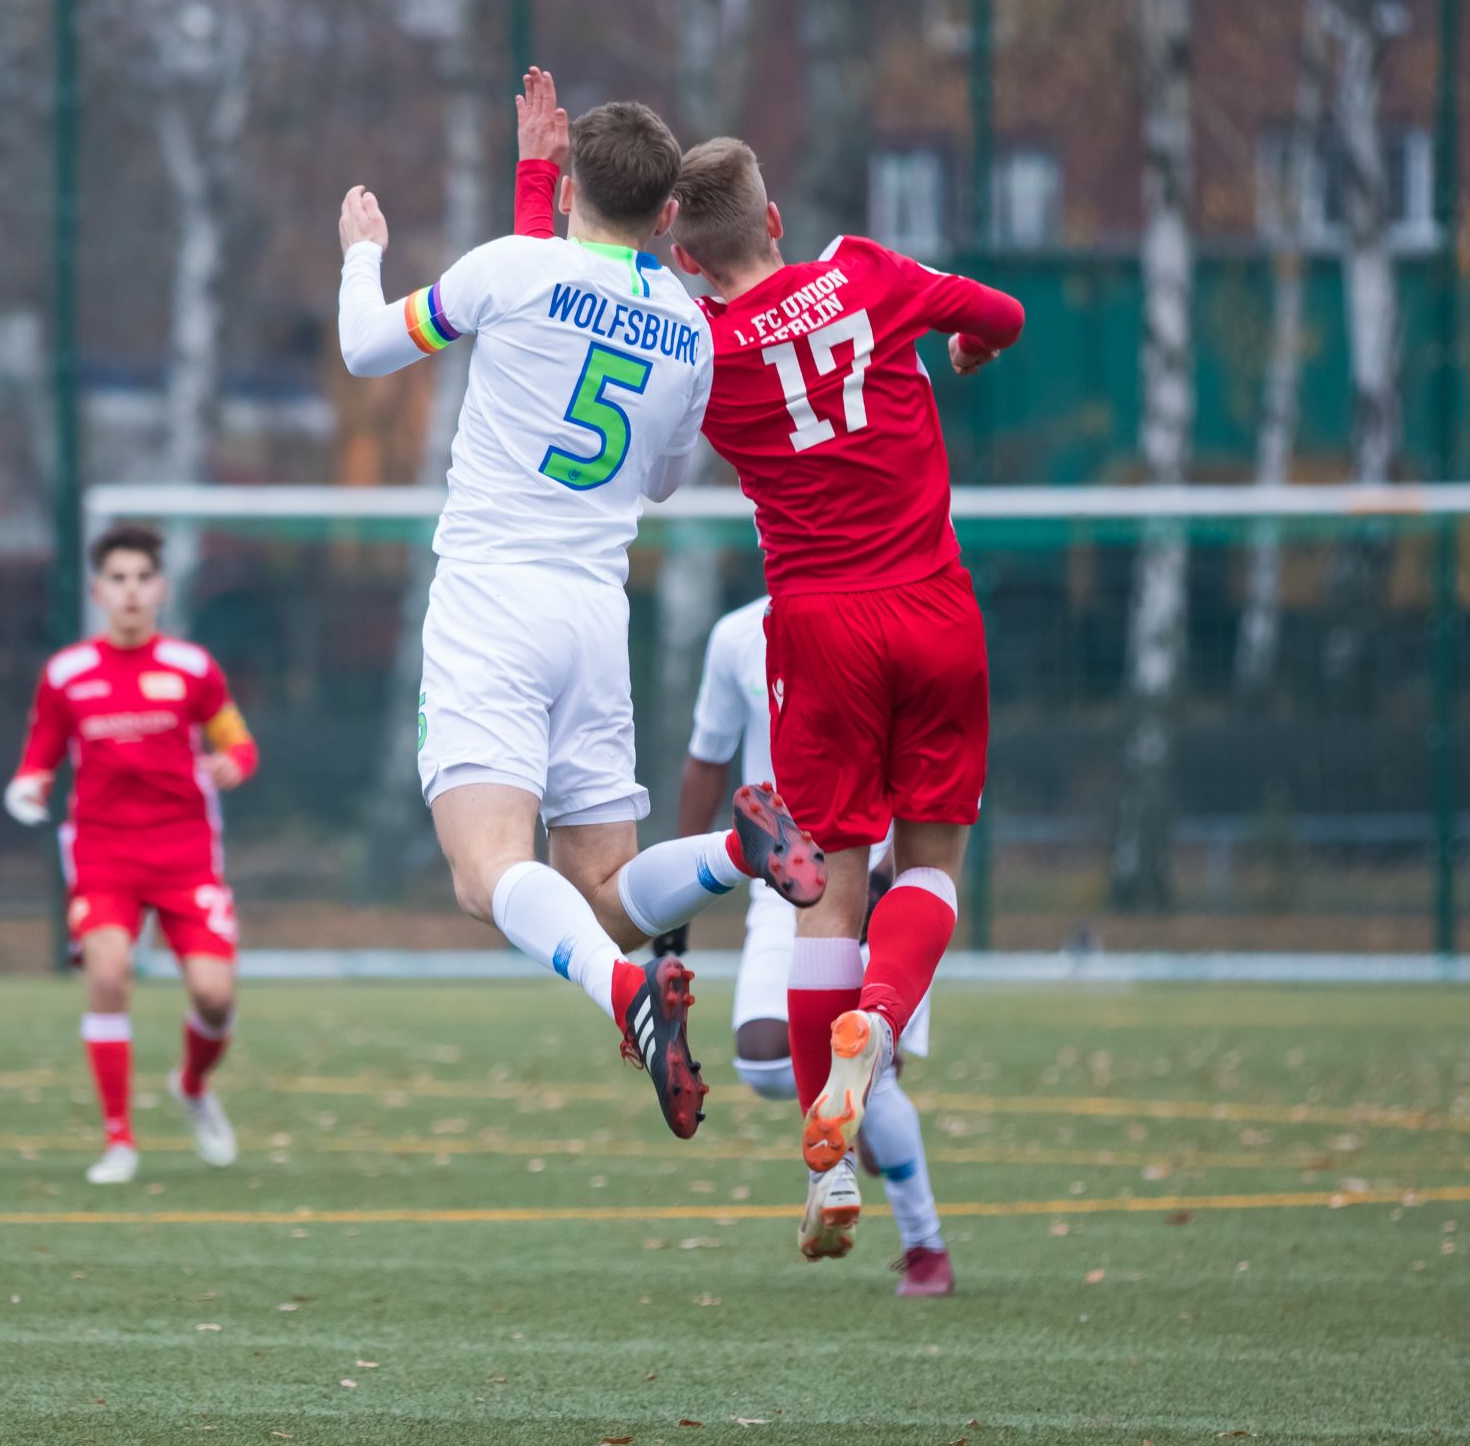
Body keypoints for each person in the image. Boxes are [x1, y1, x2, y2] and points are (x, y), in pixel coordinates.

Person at [336, 72, 824, 1142]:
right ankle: (737, 857)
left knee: (487, 874)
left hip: (491, 604)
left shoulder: (511, 267)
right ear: (667, 216)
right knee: (602, 890)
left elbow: (368, 347)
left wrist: (361, 248)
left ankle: (630, 997)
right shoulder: (692, 329)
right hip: (593, 615)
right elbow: (658, 483)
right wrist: (539, 191)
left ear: (566, 190)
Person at [641, 134, 1022, 1261]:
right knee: (937, 866)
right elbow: (1000, 312)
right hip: (935, 604)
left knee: (829, 890)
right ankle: (883, 1023)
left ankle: (830, 1165)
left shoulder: (705, 347)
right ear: (772, 219)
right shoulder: (863, 270)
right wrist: (962, 342)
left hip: (817, 629)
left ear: (695, 257)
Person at [687, 595, 952, 1291]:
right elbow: (708, 760)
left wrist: (892, 865)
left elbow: (921, 764)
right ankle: (855, 1109)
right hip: (786, 883)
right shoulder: (738, 634)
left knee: (871, 1066)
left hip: (880, 885)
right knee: (766, 1061)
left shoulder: (893, 617)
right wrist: (686, 884)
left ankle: (926, 1246)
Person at [5, 525, 259, 1184]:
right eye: (117, 579)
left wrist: (233, 761)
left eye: (142, 578)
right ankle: (119, 1140)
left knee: (212, 997)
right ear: (98, 591)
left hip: (185, 855)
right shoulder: (66, 674)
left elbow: (239, 741)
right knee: (109, 975)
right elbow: (38, 760)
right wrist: (27, 789)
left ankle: (194, 1087)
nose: (131, 591)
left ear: (161, 589)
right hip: (102, 854)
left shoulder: (192, 669)